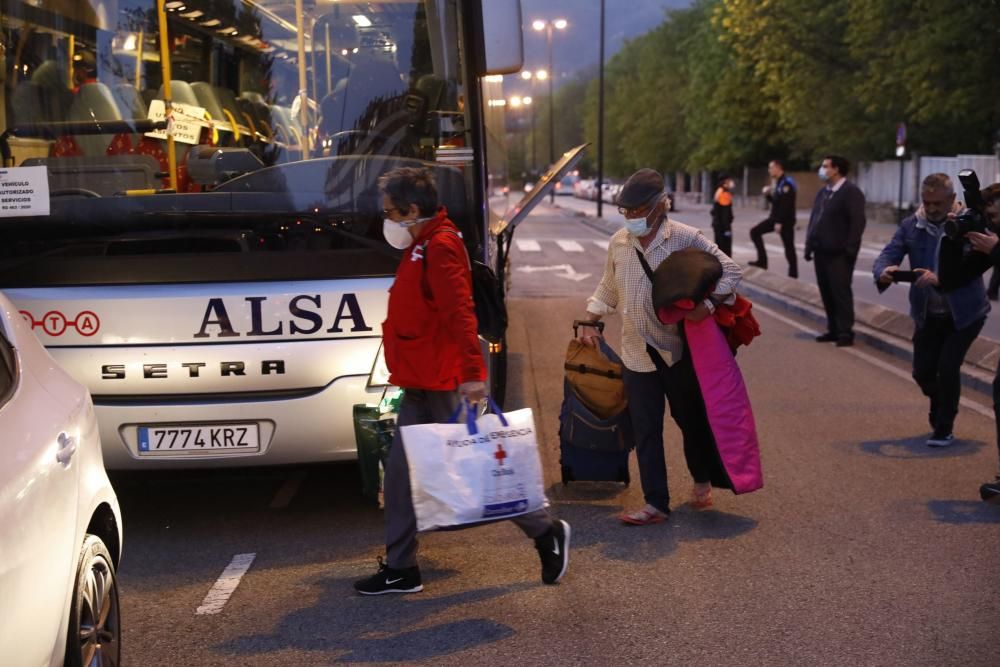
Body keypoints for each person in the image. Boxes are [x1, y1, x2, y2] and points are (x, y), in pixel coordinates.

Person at [354, 167, 570, 595]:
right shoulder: (421, 243)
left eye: (392, 212)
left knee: (484, 469)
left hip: (446, 381)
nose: (388, 221)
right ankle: (401, 568)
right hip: (421, 380)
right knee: (399, 477)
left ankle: (546, 531)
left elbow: (459, 314)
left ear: (413, 209)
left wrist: (474, 375)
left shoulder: (441, 245)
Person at [579, 168, 743, 525]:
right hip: (637, 353)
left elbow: (731, 271)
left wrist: (709, 305)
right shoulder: (620, 242)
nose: (631, 218)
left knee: (690, 422)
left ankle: (702, 479)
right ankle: (656, 502)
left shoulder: (684, 238)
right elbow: (609, 285)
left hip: (679, 352)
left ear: (658, 206)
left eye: (638, 211)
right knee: (646, 429)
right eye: (626, 212)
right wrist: (589, 321)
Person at [873, 174, 989, 447]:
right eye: (927, 202)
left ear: (951, 199)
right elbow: (889, 253)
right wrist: (884, 271)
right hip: (928, 312)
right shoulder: (911, 225)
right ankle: (941, 401)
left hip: (965, 314)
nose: (932, 208)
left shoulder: (970, 224)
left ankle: (944, 426)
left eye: (938, 203)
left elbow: (977, 263)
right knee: (923, 372)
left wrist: (942, 278)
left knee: (948, 368)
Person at [938, 182, 1000, 503]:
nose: (990, 220)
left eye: (993, 212)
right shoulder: (992, 238)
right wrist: (954, 238)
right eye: (986, 214)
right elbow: (952, 279)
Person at [804, 155, 867, 347]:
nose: (822, 170)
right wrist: (809, 245)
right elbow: (815, 219)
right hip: (820, 251)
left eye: (825, 166)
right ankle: (832, 328)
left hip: (839, 253)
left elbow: (857, 223)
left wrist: (850, 250)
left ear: (836, 169)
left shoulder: (851, 192)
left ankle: (845, 332)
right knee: (826, 291)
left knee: (840, 292)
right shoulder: (824, 192)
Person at [749, 160, 799, 278]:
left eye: (771, 168)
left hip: (784, 220)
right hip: (776, 218)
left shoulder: (787, 184)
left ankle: (793, 274)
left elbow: (786, 205)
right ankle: (762, 261)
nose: (769, 170)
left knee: (789, 246)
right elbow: (777, 203)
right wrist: (768, 195)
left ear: (778, 168)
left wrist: (779, 222)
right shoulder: (779, 183)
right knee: (755, 232)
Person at [711, 174, 735, 257]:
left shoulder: (719, 191)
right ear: (726, 182)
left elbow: (714, 211)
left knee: (720, 248)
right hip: (723, 226)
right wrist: (727, 229)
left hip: (718, 225)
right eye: (729, 180)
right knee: (725, 251)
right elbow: (725, 213)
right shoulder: (724, 194)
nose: (731, 182)